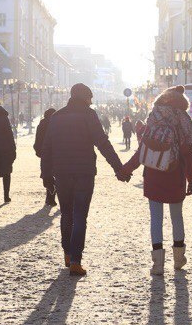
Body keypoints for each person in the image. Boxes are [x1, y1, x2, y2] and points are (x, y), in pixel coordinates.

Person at [42, 83, 128, 276]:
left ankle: (67, 252)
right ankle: (75, 260)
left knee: (66, 214)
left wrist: (46, 175)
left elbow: (47, 147)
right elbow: (102, 143)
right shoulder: (88, 115)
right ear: (84, 97)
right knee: (80, 215)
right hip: (84, 173)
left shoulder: (57, 117)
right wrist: (118, 168)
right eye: (90, 98)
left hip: (62, 173)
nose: (91, 101)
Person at [120, 85, 192, 276]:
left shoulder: (154, 117)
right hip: (175, 173)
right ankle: (178, 259)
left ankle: (158, 264)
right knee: (177, 216)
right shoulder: (184, 120)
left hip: (153, 173)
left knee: (156, 218)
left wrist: (125, 170)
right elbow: (187, 153)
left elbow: (142, 150)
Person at [33, 108, 57, 206]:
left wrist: (39, 151)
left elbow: (37, 140)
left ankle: (49, 199)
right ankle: (51, 198)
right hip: (56, 153)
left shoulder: (41, 124)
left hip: (45, 153)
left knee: (47, 175)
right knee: (55, 175)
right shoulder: (57, 124)